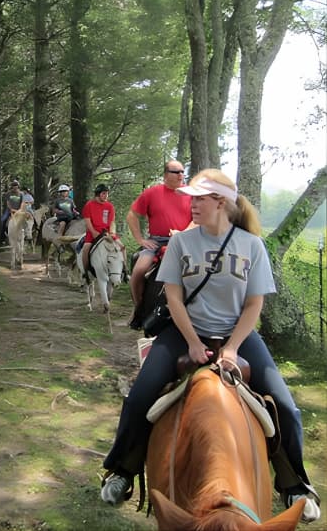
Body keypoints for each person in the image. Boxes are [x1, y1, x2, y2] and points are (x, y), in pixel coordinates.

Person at [100, 169, 321, 524]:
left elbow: (254, 305)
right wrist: (190, 340)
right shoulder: (182, 244)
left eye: (199, 198)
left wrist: (232, 348)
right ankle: (122, 469)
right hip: (183, 332)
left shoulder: (252, 246)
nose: (192, 204)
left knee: (285, 405)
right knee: (140, 396)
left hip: (239, 334)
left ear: (220, 203)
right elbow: (172, 295)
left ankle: (295, 483)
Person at [126, 160, 192, 329]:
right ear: (165, 175)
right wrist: (141, 240)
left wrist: (183, 234)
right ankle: (138, 309)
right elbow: (132, 215)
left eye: (182, 172)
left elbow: (198, 220)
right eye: (175, 172)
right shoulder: (151, 193)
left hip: (186, 242)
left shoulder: (191, 194)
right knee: (138, 271)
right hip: (157, 241)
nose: (180, 175)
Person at [81, 184, 125, 277]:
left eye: (107, 194)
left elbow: (112, 221)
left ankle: (124, 270)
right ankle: (86, 272)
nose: (106, 196)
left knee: (122, 247)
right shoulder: (89, 205)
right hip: (93, 232)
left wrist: (112, 232)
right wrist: (93, 232)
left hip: (107, 232)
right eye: (104, 193)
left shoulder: (110, 206)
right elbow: (87, 222)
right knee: (85, 249)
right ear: (98, 194)